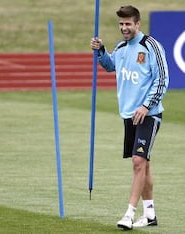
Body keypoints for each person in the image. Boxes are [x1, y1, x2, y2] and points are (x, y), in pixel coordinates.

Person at [90, 5, 169, 230]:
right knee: (144, 165)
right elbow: (110, 66)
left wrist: (146, 106)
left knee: (138, 162)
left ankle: (129, 214)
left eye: (128, 24)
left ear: (137, 24)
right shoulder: (122, 47)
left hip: (149, 114)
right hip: (128, 114)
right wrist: (102, 51)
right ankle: (150, 213)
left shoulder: (151, 46)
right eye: (121, 24)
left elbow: (162, 79)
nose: (124, 28)